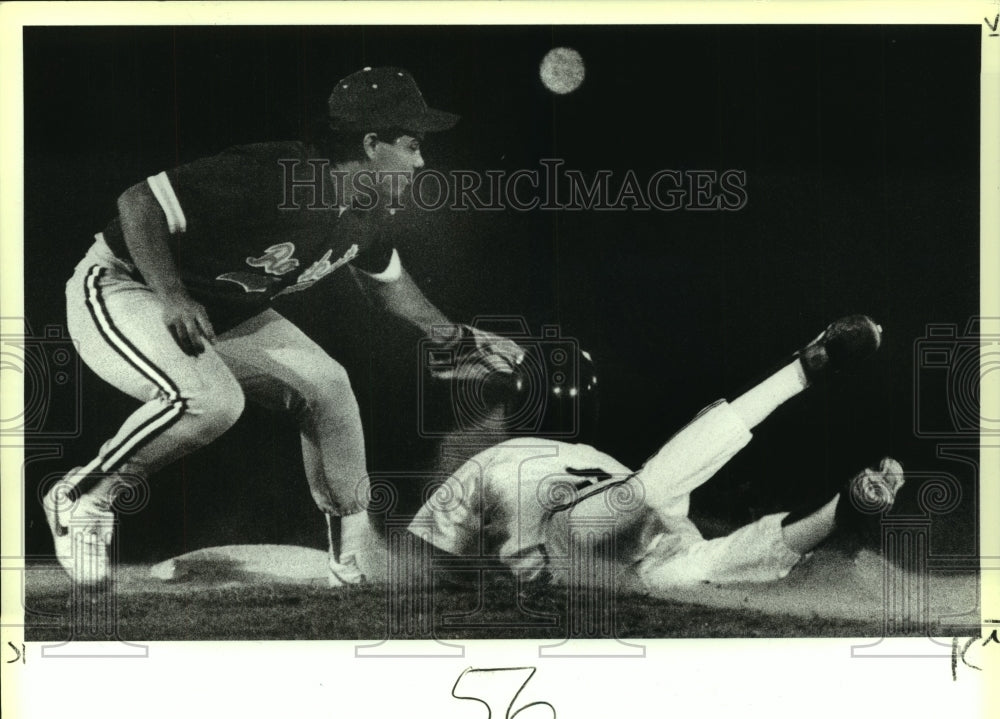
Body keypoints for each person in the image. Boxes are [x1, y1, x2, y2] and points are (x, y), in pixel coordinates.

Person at [42, 66, 521, 587]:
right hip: (124, 285)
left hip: (223, 311)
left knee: (328, 386)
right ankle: (81, 496)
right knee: (211, 401)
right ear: (371, 143)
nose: (420, 158)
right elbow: (139, 203)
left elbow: (388, 282)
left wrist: (454, 336)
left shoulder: (367, 209)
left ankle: (354, 553)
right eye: (410, 143)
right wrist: (173, 294)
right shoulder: (281, 173)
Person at [407, 315, 906, 593]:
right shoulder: (596, 455)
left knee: (682, 531)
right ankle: (834, 496)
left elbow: (433, 556)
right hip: (619, 530)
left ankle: (842, 505)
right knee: (698, 539)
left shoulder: (491, 459)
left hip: (600, 546)